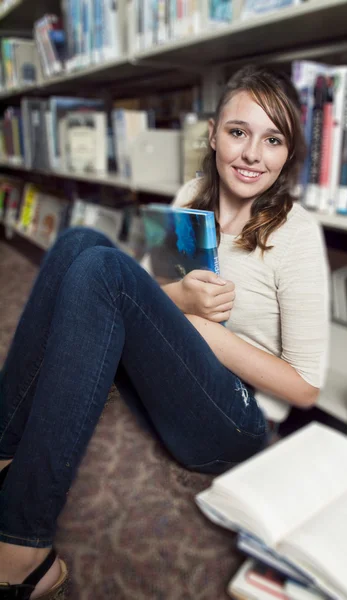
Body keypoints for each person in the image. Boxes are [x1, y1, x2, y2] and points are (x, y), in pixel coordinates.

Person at [0, 65, 329, 599]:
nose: (252, 154)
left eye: (273, 140)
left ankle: (23, 546)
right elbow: (152, 289)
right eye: (238, 132)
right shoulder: (190, 194)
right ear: (213, 132)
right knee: (79, 243)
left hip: (238, 419)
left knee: (104, 269)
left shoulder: (298, 234)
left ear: (287, 154)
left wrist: (202, 328)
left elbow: (306, 388)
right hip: (175, 380)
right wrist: (179, 300)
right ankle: (3, 452)